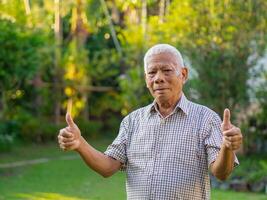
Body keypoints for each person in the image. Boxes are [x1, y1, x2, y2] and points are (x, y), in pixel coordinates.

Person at [58, 44, 243, 200]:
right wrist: (79, 143)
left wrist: (227, 146)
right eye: (151, 72)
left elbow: (221, 172)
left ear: (184, 74)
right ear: (146, 79)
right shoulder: (132, 122)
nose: (158, 78)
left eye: (167, 70)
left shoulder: (206, 118)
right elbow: (107, 167)